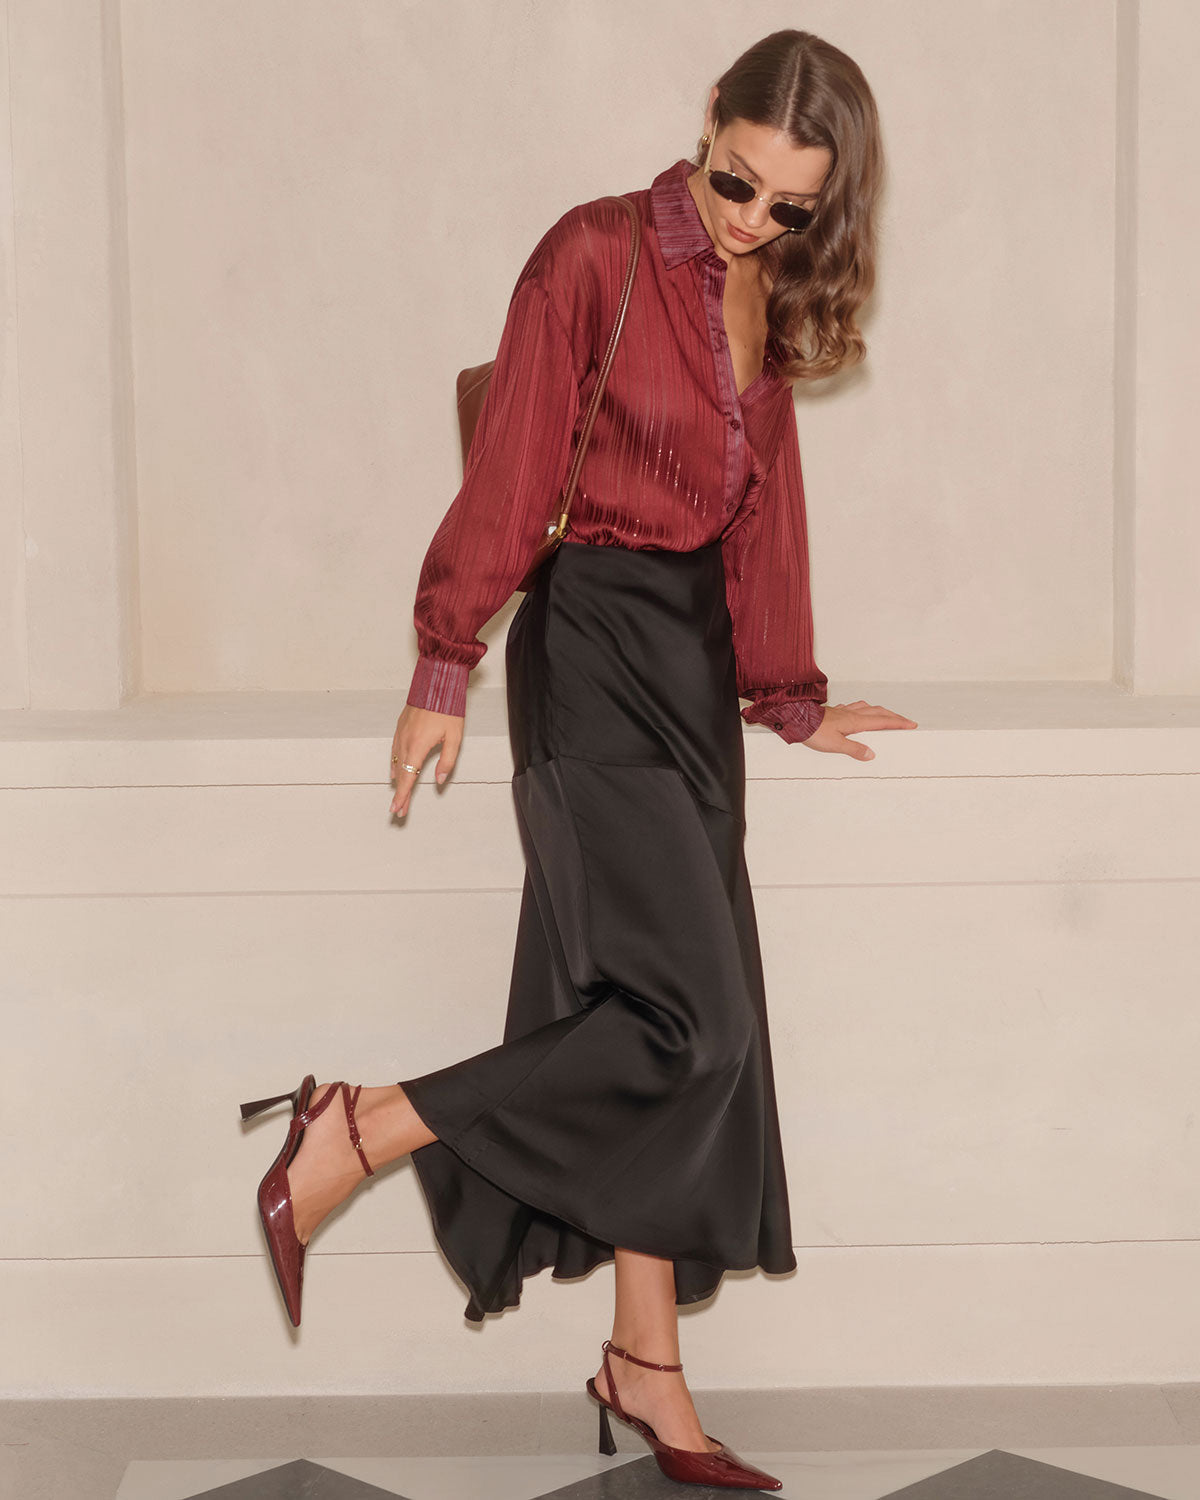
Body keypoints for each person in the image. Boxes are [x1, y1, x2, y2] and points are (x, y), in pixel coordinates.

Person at [241, 27, 917, 1492]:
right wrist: (444, 660)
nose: (753, 220)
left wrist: (790, 694)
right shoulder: (593, 254)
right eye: (737, 183)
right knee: (694, 1029)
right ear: (709, 121)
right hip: (593, 650)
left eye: (790, 206)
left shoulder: (767, 289)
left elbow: (765, 511)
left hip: (693, 670)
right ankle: (361, 1128)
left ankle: (644, 1362)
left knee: (659, 1025)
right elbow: (515, 468)